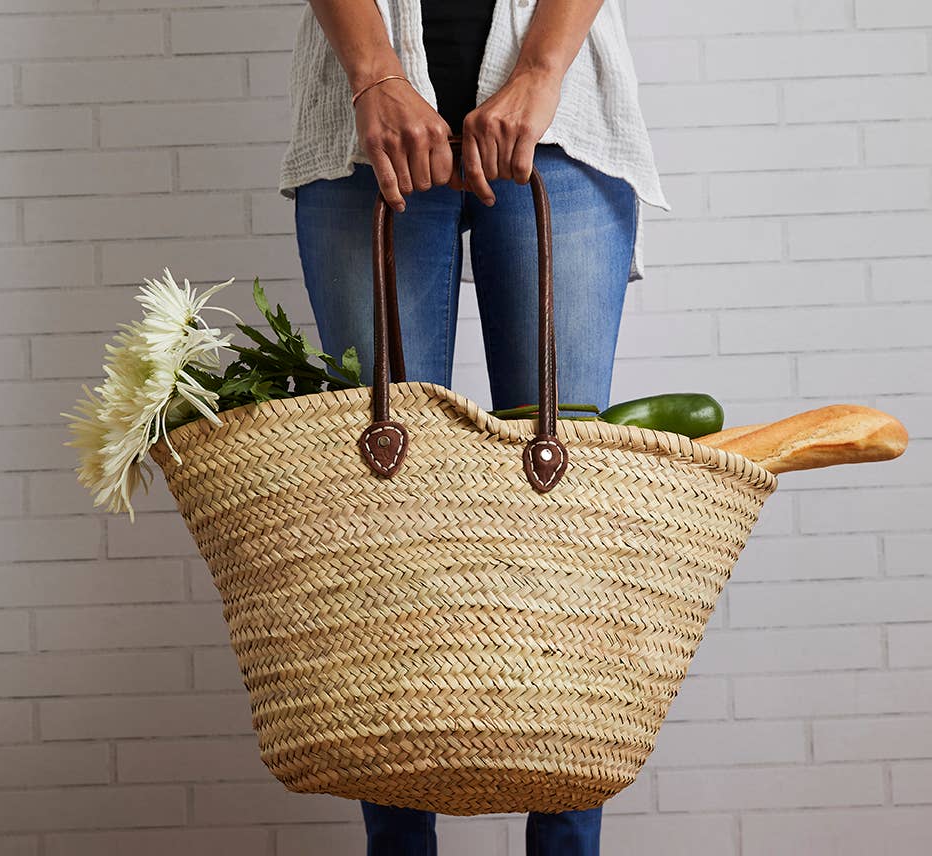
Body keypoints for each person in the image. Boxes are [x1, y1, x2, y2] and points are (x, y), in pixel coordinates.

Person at [277, 1, 666, 853]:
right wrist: (377, 72)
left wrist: (537, 72)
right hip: (364, 128)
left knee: (564, 529)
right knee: (386, 530)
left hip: (560, 127)